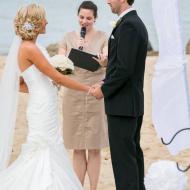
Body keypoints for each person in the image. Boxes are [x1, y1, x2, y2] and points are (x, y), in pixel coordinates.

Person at [0, 4, 93, 189]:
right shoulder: (30, 48)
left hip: (43, 104)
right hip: (41, 107)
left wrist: (43, 86)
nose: (47, 22)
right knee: (43, 149)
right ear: (35, 22)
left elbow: (22, 83)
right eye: (44, 18)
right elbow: (56, 76)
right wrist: (88, 89)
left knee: (49, 147)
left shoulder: (32, 46)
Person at [91, 0, 148, 190]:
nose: (107, 1)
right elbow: (125, 63)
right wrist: (108, 68)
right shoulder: (131, 23)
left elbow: (125, 69)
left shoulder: (129, 25)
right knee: (132, 158)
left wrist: (104, 89)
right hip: (129, 103)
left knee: (124, 163)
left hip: (123, 106)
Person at [58, 1, 108, 189]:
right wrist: (76, 50)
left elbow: (107, 59)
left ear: (95, 18)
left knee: (94, 147)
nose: (84, 21)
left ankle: (93, 188)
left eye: (88, 18)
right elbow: (61, 64)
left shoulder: (103, 37)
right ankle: (79, 186)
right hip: (73, 94)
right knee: (77, 147)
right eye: (81, 17)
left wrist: (103, 61)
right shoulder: (67, 37)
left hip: (95, 93)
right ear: (77, 16)